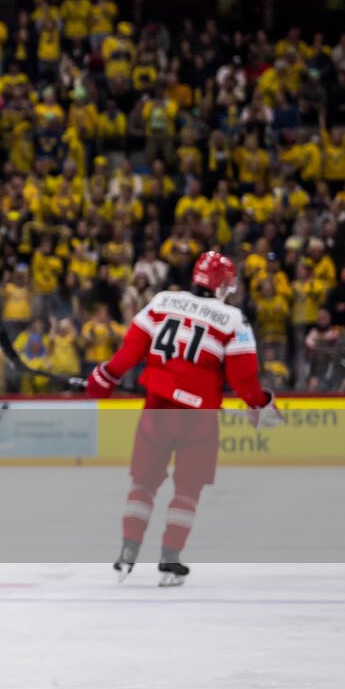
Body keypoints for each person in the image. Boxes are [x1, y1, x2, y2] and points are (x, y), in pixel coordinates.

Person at [85, 250, 279, 586]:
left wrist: (107, 376)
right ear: (222, 286)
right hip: (198, 418)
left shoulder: (163, 301)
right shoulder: (234, 320)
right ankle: (169, 561)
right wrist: (262, 404)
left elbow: (132, 349)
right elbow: (244, 381)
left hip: (158, 406)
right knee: (187, 491)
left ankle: (128, 552)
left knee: (143, 482)